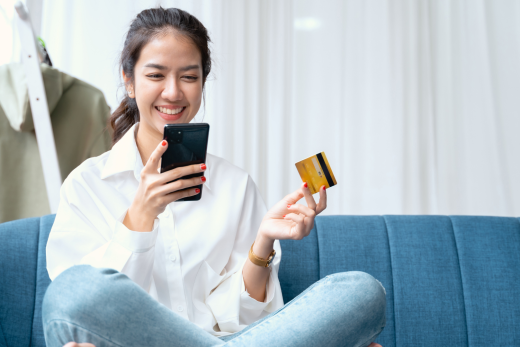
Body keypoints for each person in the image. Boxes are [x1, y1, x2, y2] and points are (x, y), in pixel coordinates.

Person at [42, 7, 386, 347]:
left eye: (189, 77)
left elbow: (249, 324)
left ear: (203, 83)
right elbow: (87, 307)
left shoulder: (235, 186)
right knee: (73, 291)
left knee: (360, 291)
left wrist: (262, 243)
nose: (174, 92)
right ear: (129, 81)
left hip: (232, 341)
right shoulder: (87, 185)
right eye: (156, 75)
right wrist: (140, 217)